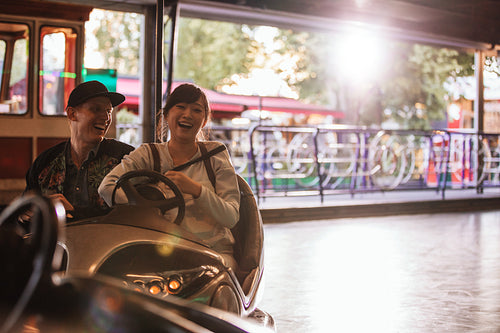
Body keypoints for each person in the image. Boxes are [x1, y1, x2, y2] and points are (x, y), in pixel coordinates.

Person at [98, 83, 240, 270]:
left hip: (212, 252)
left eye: (196, 110)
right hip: (162, 251)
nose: (187, 115)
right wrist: (145, 207)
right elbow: (106, 187)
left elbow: (231, 217)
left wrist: (196, 190)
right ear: (166, 115)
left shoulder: (215, 155)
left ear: (204, 120)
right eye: (180, 107)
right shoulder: (149, 154)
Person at [24, 80, 134, 220]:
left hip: (109, 241)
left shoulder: (125, 158)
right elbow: (26, 211)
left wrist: (73, 212)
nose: (106, 118)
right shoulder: (45, 162)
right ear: (72, 114)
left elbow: (135, 214)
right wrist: (27, 214)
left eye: (108, 111)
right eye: (96, 109)